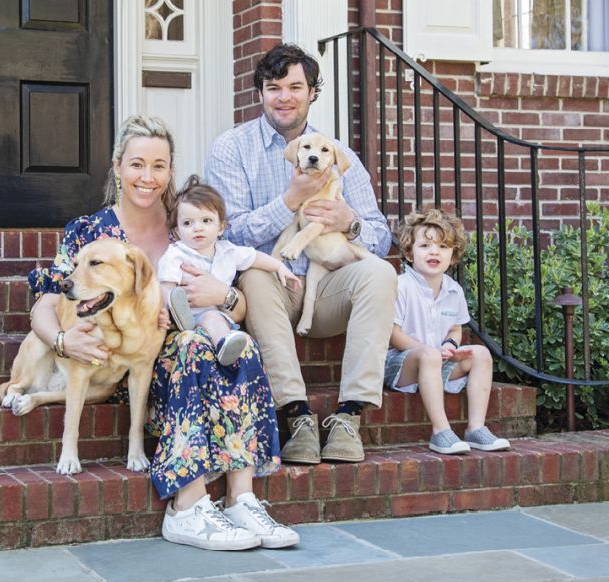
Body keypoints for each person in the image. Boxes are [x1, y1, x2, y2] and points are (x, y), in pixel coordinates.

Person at [28, 114, 299, 551]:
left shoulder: (190, 220)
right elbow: (45, 301)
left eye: (159, 166)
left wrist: (223, 297)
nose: (147, 177)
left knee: (241, 346)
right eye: (137, 164)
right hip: (122, 368)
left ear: (170, 171)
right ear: (118, 167)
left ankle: (241, 498)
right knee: (193, 348)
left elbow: (241, 306)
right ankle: (187, 506)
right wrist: (63, 340)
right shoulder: (90, 232)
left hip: (184, 347)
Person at [205, 43, 397, 465]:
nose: (285, 96)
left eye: (296, 86)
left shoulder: (337, 153)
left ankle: (349, 415)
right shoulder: (232, 148)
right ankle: (295, 416)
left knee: (381, 274)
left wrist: (350, 222)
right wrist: (289, 201)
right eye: (274, 87)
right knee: (253, 275)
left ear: (312, 92)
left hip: (326, 286)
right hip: (269, 288)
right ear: (260, 92)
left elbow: (381, 237)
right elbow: (227, 233)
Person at [386, 209, 510, 454]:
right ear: (409, 253)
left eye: (443, 246)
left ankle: (476, 428)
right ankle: (441, 432)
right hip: (400, 366)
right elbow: (393, 333)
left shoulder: (453, 290)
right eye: (425, 245)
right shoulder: (401, 286)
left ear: (453, 256)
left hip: (436, 361)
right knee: (430, 356)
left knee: (480, 354)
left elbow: (455, 327)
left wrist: (451, 346)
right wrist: (428, 351)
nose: (434, 252)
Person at [158, 175, 302, 367]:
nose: (197, 228)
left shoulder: (228, 251)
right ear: (176, 232)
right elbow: (166, 285)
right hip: (181, 313)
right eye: (187, 223)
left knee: (214, 318)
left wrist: (280, 267)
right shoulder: (176, 253)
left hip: (212, 310)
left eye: (206, 220)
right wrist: (166, 309)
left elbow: (255, 257)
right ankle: (185, 317)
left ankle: (225, 343)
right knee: (183, 300)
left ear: (221, 227)